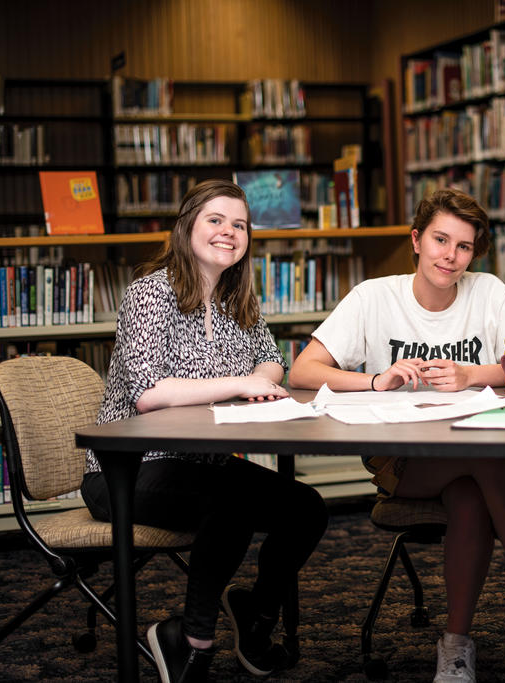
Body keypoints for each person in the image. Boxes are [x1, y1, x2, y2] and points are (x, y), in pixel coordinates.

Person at [80, 179, 329, 683]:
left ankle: (255, 615)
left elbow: (272, 362)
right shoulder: (152, 293)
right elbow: (149, 392)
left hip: (203, 463)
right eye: (216, 220)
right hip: (127, 470)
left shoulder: (238, 298)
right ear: (187, 225)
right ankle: (190, 640)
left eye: (239, 224)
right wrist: (239, 384)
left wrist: (258, 380)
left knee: (307, 508)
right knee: (231, 502)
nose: (228, 232)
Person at [288, 187, 505, 683]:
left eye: (464, 247)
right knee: (485, 460)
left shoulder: (488, 292)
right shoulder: (374, 297)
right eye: (441, 240)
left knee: (469, 494)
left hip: (472, 453)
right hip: (403, 459)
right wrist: (375, 380)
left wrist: (471, 375)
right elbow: (302, 371)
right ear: (417, 239)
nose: (451, 256)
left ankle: (455, 645)